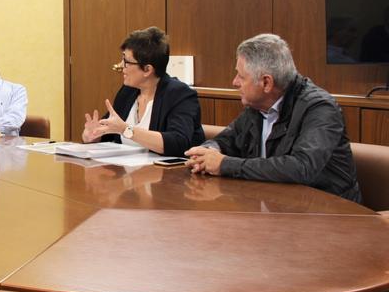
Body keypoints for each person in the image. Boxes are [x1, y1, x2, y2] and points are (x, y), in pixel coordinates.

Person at [185, 33, 361, 202]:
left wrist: (225, 165)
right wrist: (207, 152)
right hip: (275, 206)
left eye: (241, 76)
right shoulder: (257, 106)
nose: (234, 82)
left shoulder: (320, 108)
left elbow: (302, 168)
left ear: (266, 83)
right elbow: (226, 140)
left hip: (330, 215)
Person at [81, 27, 204, 156]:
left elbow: (178, 143)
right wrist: (92, 136)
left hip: (168, 174)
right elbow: (109, 132)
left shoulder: (179, 94)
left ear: (147, 70)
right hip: (126, 172)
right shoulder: (128, 92)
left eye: (126, 62)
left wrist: (126, 130)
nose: (120, 66)